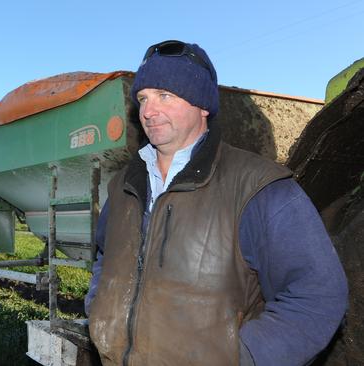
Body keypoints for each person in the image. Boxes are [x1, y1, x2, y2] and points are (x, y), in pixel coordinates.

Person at [85, 40, 348, 366]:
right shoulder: (123, 186)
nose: (148, 111)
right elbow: (102, 256)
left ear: (203, 105)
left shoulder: (258, 187)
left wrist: (242, 357)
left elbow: (318, 296)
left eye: (165, 96)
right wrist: (98, 306)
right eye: (143, 98)